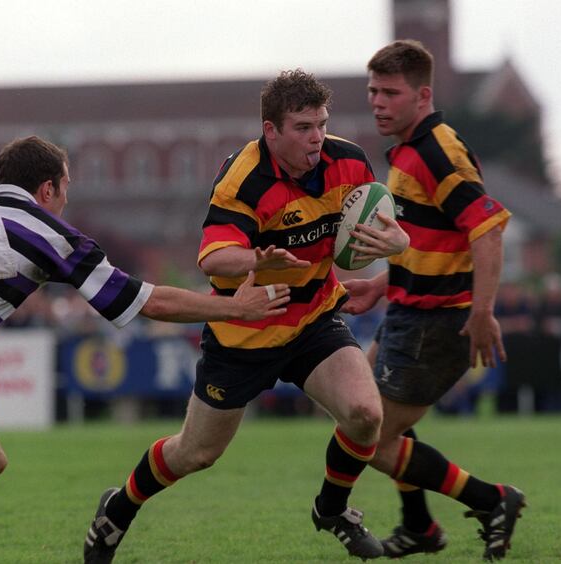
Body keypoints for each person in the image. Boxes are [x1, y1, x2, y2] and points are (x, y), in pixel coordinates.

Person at [0, 135, 293, 564]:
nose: (65, 199)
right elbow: (145, 300)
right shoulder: (49, 233)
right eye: (66, 187)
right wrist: (235, 308)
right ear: (48, 189)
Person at [83, 69, 410, 563]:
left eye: (321, 123)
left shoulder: (348, 160)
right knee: (195, 454)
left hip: (313, 318)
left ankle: (332, 509)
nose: (317, 137)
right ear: (270, 130)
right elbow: (214, 259)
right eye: (303, 127)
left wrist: (398, 244)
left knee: (365, 414)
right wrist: (259, 259)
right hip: (245, 329)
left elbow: (372, 232)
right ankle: (120, 507)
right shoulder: (244, 179)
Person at [343, 39, 525, 560]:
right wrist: (383, 284)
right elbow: (431, 238)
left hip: (437, 323)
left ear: (422, 95)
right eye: (373, 90)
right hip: (406, 312)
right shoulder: (407, 148)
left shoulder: (435, 150)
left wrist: (483, 311)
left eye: (390, 93)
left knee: (371, 440)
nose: (378, 101)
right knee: (361, 417)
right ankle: (420, 526)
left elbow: (486, 230)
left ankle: (492, 500)